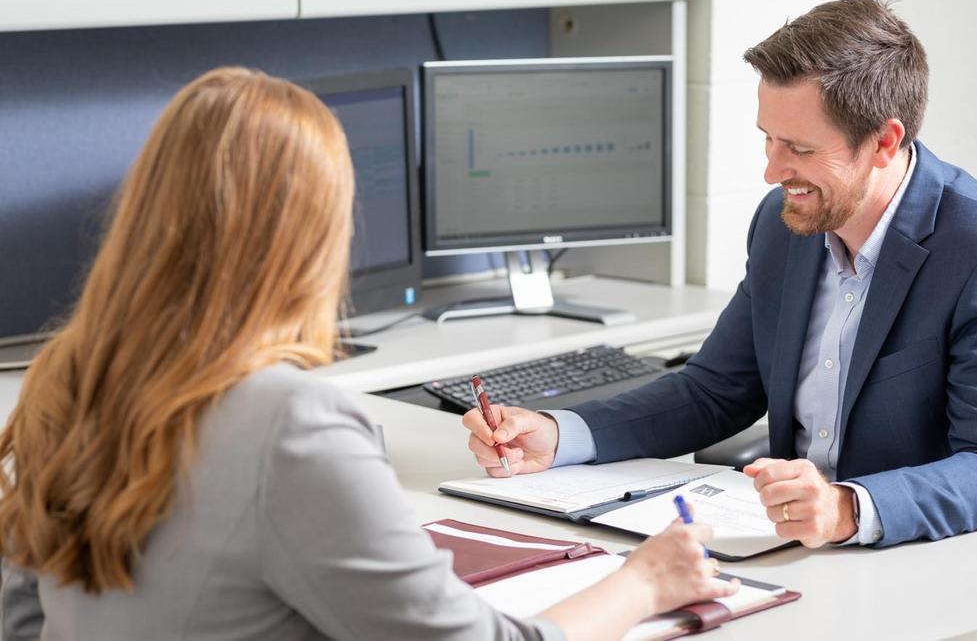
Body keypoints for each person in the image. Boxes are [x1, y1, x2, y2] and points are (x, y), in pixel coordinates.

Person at [0, 67, 737, 640]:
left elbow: (21, 621)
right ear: (313, 237)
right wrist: (645, 583)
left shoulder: (69, 378)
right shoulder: (287, 420)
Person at [465, 0, 977, 550]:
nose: (772, 172)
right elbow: (713, 391)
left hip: (948, 564)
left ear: (884, 142)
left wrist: (846, 508)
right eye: (769, 140)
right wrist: (561, 434)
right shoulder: (786, 226)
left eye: (799, 149)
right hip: (798, 554)